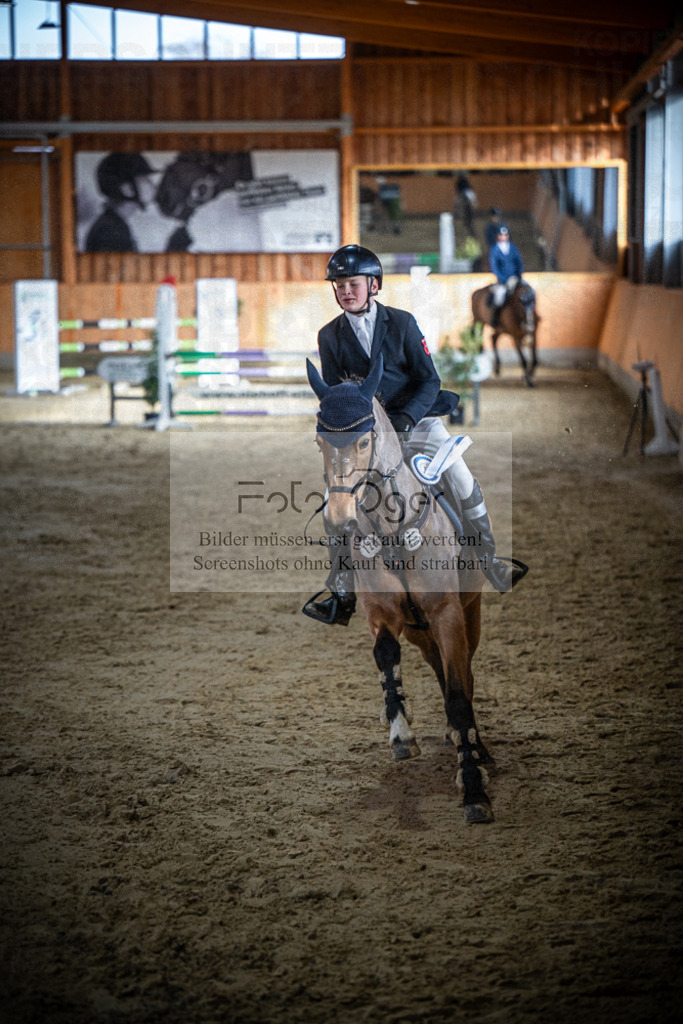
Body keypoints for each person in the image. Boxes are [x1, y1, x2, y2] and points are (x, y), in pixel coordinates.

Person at [302, 244, 526, 627]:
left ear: (373, 284)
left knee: (460, 477)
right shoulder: (330, 336)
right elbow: (341, 396)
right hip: (369, 435)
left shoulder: (402, 324)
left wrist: (406, 417)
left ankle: (489, 560)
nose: (345, 291)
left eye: (352, 284)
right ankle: (341, 586)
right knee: (331, 501)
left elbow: (429, 379)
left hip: (418, 421)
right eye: (338, 285)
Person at [85, 153, 156, 252]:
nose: (152, 185)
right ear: (127, 189)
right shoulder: (109, 233)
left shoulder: (113, 225)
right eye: (145, 180)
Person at [488, 224, 524, 328]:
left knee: (527, 293)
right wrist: (502, 279)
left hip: (515, 278)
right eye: (501, 235)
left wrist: (519, 275)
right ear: (497, 236)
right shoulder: (494, 249)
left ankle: (526, 319)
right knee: (499, 297)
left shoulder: (513, 248)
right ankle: (495, 319)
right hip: (503, 280)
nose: (503, 237)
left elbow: (519, 262)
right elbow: (494, 267)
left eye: (505, 235)